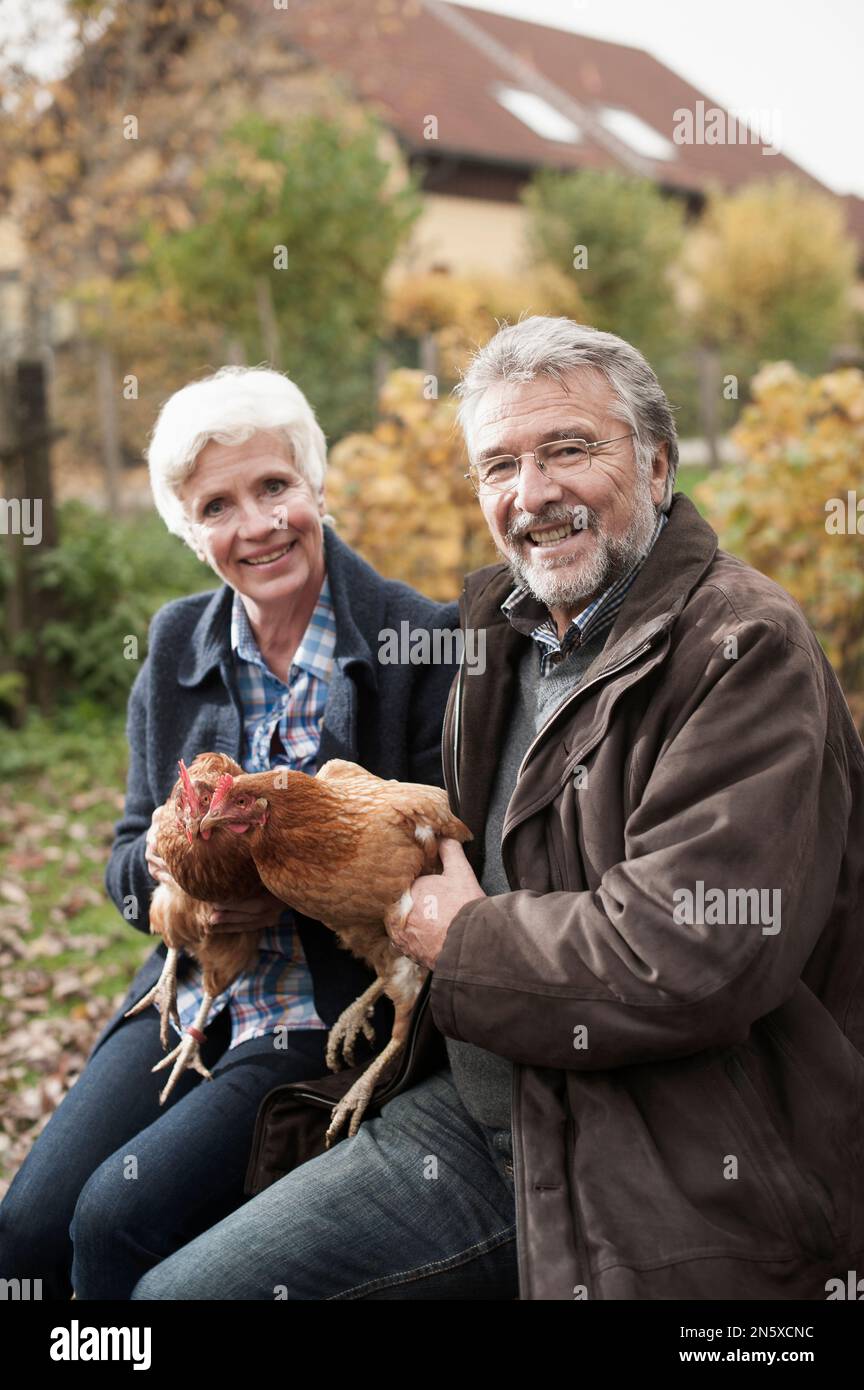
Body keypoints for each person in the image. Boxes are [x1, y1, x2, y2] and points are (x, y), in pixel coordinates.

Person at [129, 317, 864, 1303]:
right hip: (476, 1101)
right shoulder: (498, 639)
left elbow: (684, 956)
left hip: (663, 1150)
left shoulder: (743, 652)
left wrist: (460, 937)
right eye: (499, 465)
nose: (534, 492)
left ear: (655, 462)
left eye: (569, 448)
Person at [0, 366, 458, 1300]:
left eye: (274, 487)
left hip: (326, 1011)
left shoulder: (420, 640)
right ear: (188, 528)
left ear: (316, 485)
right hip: (192, 995)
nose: (255, 525)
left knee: (117, 1219)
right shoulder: (176, 645)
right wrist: (176, 891)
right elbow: (126, 855)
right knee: (27, 1227)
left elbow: (447, 856)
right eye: (218, 504)